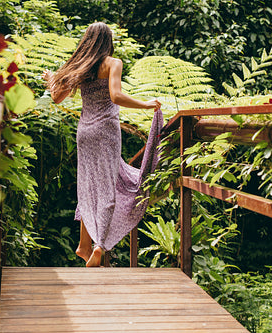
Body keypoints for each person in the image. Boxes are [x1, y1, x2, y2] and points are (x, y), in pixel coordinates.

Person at [42, 22, 162, 267]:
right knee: (107, 188)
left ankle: (83, 246)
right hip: (106, 133)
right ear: (108, 41)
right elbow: (115, 96)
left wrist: (52, 80)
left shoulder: (79, 66)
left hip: (85, 133)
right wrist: (147, 104)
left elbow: (56, 97)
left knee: (88, 185)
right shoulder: (112, 63)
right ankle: (99, 246)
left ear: (87, 40)